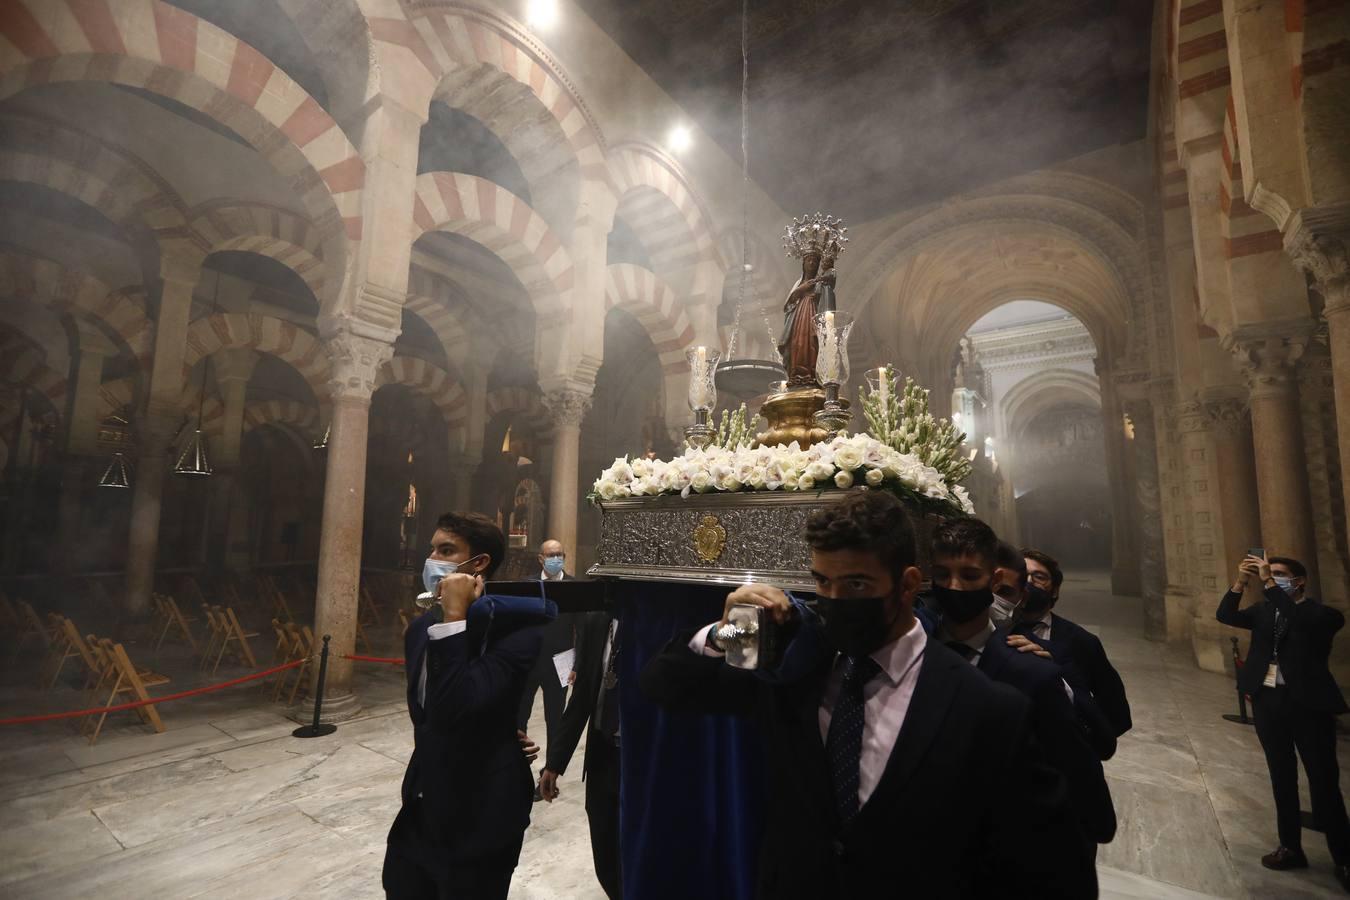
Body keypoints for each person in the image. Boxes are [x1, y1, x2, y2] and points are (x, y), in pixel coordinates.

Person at [640, 490, 1094, 897]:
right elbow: (665, 684)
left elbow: (1056, 874)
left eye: (856, 584)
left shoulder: (988, 709)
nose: (835, 599)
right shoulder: (798, 675)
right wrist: (728, 631)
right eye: (823, 583)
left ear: (909, 584)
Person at [383, 512, 551, 900]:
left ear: (478, 564)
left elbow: (457, 704)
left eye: (446, 551)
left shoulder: (518, 632)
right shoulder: (419, 630)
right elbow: (429, 718)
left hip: (482, 817)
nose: (432, 559)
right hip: (422, 809)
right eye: (433, 549)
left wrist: (456, 616)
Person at [928, 518, 1115, 860]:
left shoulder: (1033, 670)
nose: (954, 587)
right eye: (942, 575)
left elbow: (1080, 773)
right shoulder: (917, 648)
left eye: (970, 576)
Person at [1218, 553, 1349, 888]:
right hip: (1269, 702)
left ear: (1299, 580)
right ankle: (1290, 846)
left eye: (1278, 574)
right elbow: (1225, 614)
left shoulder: (1322, 615)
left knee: (1323, 780)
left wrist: (1269, 583)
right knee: (1281, 776)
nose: (1271, 577)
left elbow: (1300, 621)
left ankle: (1344, 857)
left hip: (1308, 705)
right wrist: (1241, 581)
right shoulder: (1263, 612)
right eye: (1269, 572)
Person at [536, 608, 622, 899]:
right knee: (607, 857)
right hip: (604, 755)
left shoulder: (658, 620)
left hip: (645, 761)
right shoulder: (598, 620)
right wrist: (555, 762)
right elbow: (582, 693)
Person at [1019, 548, 1132, 739]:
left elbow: (1116, 711)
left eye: (1039, 576)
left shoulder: (1081, 642)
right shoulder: (992, 630)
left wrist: (1080, 745)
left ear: (1055, 590)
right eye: (1022, 575)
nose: (1029, 582)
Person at [517, 538, 574, 789]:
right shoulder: (529, 585)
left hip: (560, 662)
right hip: (529, 661)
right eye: (551, 554)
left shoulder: (574, 587)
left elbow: (581, 629)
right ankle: (517, 769)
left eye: (559, 554)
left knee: (556, 720)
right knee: (520, 715)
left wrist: (577, 664)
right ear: (541, 558)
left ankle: (550, 772)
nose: (556, 558)